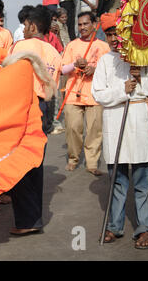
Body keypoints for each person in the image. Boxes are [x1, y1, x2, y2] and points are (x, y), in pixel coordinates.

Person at [92, 11, 148, 250]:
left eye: (117, 32)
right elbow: (98, 94)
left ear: (126, 32)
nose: (113, 38)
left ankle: (146, 228)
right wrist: (123, 88)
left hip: (137, 120)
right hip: (115, 121)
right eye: (109, 33)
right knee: (117, 181)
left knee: (141, 180)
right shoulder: (105, 61)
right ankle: (115, 226)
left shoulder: (143, 57)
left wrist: (140, 78)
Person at [7, 5, 61, 236]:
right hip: (45, 107)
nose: (24, 29)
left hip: (24, 107)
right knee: (36, 163)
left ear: (33, 26)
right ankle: (34, 217)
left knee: (20, 164)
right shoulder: (54, 53)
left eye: (26, 25)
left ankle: (27, 220)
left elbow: (7, 76)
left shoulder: (21, 46)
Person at [61, 11, 110, 175]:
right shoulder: (72, 45)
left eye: (85, 24)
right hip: (73, 93)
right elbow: (62, 69)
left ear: (94, 24)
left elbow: (110, 71)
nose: (82, 27)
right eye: (79, 24)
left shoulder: (104, 46)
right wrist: (76, 64)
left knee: (94, 131)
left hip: (95, 95)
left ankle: (92, 163)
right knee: (73, 128)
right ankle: (73, 158)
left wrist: (95, 70)